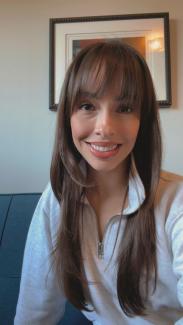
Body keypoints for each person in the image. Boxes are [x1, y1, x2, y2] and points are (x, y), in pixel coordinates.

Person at [14, 41, 183, 325]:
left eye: (125, 107)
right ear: (68, 115)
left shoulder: (175, 202)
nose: (105, 127)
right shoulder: (56, 199)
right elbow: (34, 313)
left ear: (143, 119)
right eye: (87, 105)